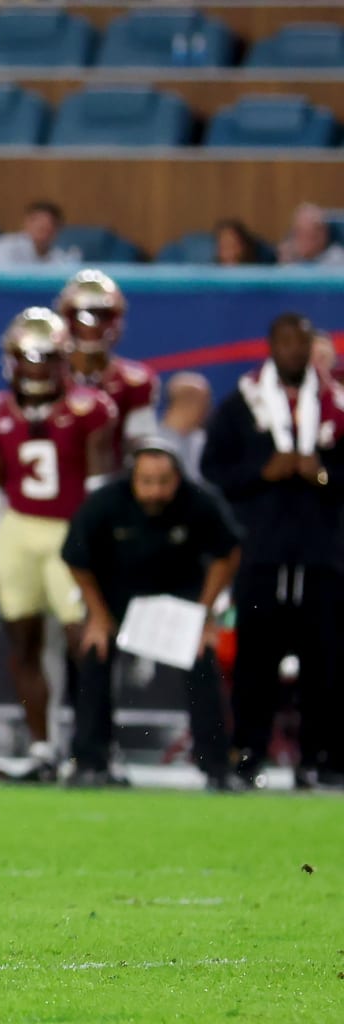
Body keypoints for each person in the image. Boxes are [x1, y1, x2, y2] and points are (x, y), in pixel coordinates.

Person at [0, 309, 118, 782]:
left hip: (68, 530)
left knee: (83, 641)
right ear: (12, 360)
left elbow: (99, 490)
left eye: (45, 358)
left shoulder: (89, 408)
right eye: (28, 358)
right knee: (23, 643)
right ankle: (42, 745)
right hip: (18, 527)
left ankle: (91, 746)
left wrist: (95, 551)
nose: (36, 368)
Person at [200, 314, 344, 790]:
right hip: (260, 554)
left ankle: (321, 758)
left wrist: (322, 473)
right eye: (285, 341)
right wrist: (263, 471)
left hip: (323, 555)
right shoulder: (243, 404)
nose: (295, 351)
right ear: (270, 346)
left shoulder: (336, 405)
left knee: (325, 661)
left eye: (303, 342)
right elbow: (213, 469)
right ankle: (249, 754)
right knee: (254, 661)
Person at [63, 444, 239, 789]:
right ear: (133, 478)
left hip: (179, 599)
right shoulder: (105, 502)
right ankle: (90, 761)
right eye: (147, 481)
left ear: (178, 479)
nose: (155, 491)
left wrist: (204, 616)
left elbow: (227, 553)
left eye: (163, 481)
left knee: (203, 658)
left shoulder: (199, 500)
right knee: (94, 654)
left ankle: (217, 768)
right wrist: (97, 616)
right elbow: (75, 557)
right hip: (116, 596)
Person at [56, 269, 159, 459]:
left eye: (102, 315)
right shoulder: (51, 379)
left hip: (115, 477)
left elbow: (141, 448)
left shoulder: (134, 381)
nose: (91, 326)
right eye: (82, 315)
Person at [0, 201, 81, 268]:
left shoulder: (60, 258)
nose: (43, 228)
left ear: (58, 229)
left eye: (49, 226)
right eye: (38, 223)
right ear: (26, 224)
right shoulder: (4, 247)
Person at [157, 372, 211, 477]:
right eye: (205, 403)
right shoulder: (150, 441)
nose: (208, 410)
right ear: (190, 403)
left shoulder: (204, 442)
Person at [277, 202, 344, 266]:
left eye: (309, 235)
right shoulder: (290, 257)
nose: (303, 241)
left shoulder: (336, 260)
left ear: (322, 236)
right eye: (299, 234)